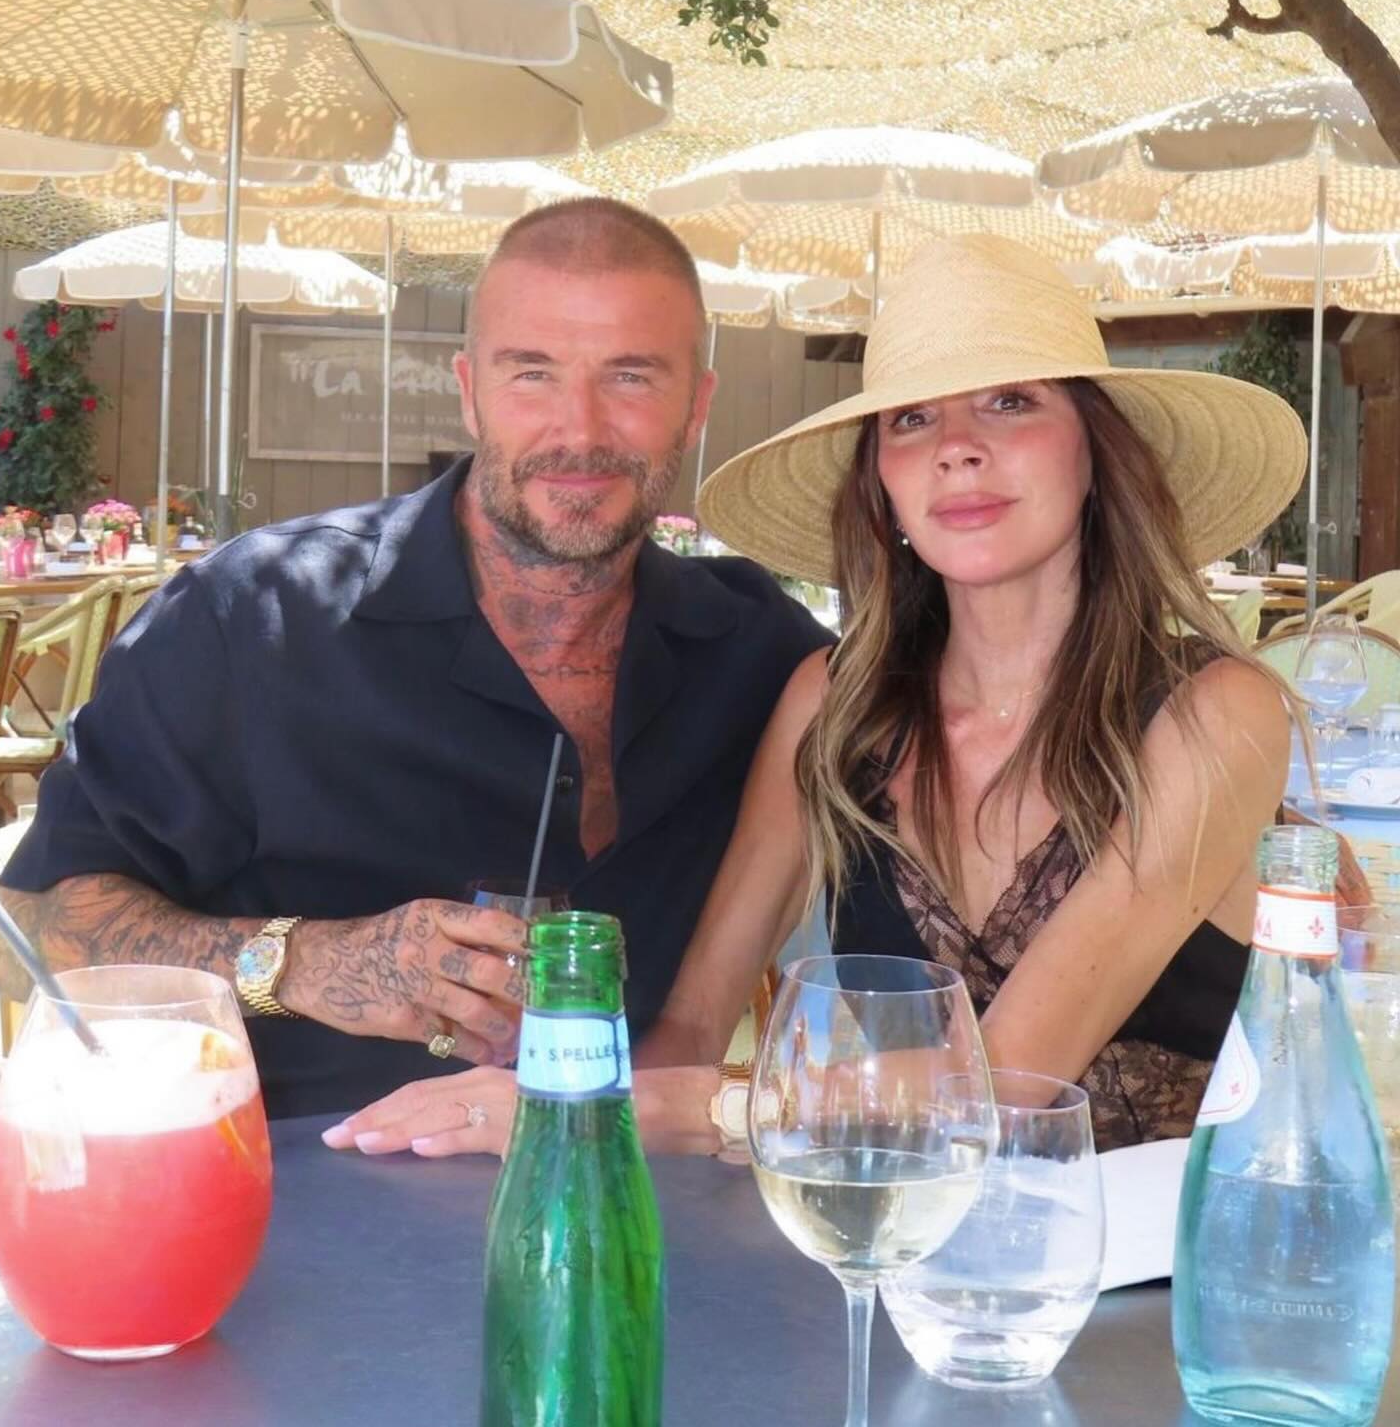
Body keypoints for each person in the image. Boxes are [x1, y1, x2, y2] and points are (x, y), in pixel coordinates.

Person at [328, 233, 1311, 1159]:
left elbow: (1003, 1081)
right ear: (882, 481)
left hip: (1157, 1271)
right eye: (912, 420)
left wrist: (603, 1101)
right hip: (880, 1249)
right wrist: (553, 1150)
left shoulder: (1216, 714)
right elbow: (694, 1024)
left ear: (1094, 451)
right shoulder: (835, 705)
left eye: (1011, 402)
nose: (957, 448)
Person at [0, 199, 830, 1118]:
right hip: (300, 1181)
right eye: (532, 373)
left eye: (631, 376)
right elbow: (21, 934)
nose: (579, 429)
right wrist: (304, 962)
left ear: (696, 407)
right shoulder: (253, 619)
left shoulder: (759, 650)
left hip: (619, 1186)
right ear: (468, 391)